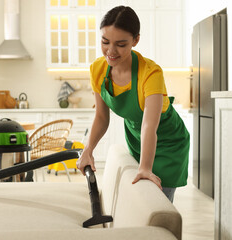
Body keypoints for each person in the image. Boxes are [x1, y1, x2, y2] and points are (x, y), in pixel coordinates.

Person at [76, 6, 189, 203]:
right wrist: (88, 150)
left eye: (120, 44)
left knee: (157, 202)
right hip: (138, 139)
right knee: (139, 199)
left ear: (135, 40)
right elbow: (102, 117)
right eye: (105, 41)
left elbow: (149, 125)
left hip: (168, 141)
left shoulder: (150, 73)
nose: (110, 51)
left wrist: (145, 167)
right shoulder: (98, 69)